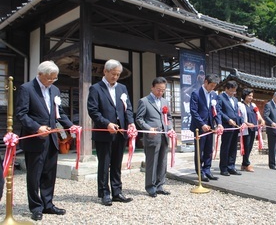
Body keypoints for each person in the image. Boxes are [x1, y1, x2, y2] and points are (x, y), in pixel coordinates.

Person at [15, 61, 78, 221]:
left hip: (52, 139)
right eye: (49, 78)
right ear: (40, 74)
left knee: (49, 174)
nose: (52, 81)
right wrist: (37, 128)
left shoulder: (55, 90)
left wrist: (71, 126)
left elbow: (59, 112)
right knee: (34, 175)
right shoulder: (27, 89)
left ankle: (48, 204)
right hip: (35, 140)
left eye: (54, 79)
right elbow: (21, 114)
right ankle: (36, 207)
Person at [87, 59, 135, 206]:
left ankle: (117, 191)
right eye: (113, 74)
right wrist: (106, 123)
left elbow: (128, 108)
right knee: (104, 163)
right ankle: (104, 192)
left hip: (120, 132)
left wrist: (131, 122)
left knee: (116, 163)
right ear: (105, 72)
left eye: (118, 74)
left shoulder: (122, 88)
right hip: (104, 132)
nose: (115, 77)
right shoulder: (96, 88)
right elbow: (93, 110)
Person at [136, 77, 174, 197]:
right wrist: (148, 129)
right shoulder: (144, 101)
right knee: (152, 162)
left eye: (163, 90)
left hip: (164, 136)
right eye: (158, 89)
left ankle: (160, 185)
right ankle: (150, 186)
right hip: (152, 136)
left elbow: (169, 117)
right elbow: (139, 119)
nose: (160, 92)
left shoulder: (165, 102)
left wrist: (170, 128)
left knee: (162, 161)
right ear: (152, 87)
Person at [189, 74, 223, 182]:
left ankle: (207, 170)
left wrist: (219, 123)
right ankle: (200, 172)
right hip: (200, 127)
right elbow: (193, 111)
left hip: (210, 127)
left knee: (209, 150)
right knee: (200, 150)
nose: (213, 88)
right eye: (211, 85)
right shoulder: (196, 93)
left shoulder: (214, 95)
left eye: (215, 86)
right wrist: (202, 124)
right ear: (205, 82)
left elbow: (217, 111)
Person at [218, 80, 243, 176]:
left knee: (233, 147)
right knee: (226, 147)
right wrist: (228, 119)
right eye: (231, 90)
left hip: (235, 126)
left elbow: (237, 112)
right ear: (226, 89)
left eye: (235, 91)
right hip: (227, 126)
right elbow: (219, 111)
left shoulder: (235, 99)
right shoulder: (220, 97)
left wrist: (240, 122)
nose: (233, 93)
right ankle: (223, 168)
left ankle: (231, 166)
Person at [238, 88, 264, 172]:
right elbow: (240, 117)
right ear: (244, 95)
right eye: (249, 95)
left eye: (252, 96)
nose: (250, 97)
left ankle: (244, 164)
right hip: (246, 128)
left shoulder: (253, 105)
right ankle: (246, 163)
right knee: (246, 146)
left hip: (254, 128)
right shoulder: (240, 105)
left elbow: (258, 115)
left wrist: (261, 120)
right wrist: (247, 124)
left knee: (250, 146)